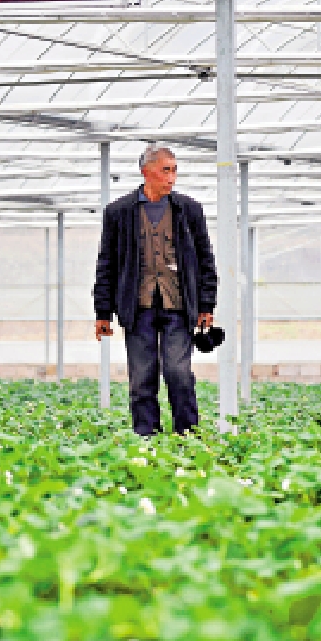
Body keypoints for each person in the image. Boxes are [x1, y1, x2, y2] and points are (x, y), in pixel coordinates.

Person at [93, 143, 217, 435]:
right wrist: (103, 311)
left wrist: (206, 305)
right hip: (137, 307)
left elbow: (205, 260)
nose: (172, 177)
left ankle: (187, 436)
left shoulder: (189, 210)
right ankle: (146, 437)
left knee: (178, 373)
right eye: (166, 170)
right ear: (145, 171)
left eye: (174, 170)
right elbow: (106, 263)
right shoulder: (118, 212)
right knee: (141, 378)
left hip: (178, 305)